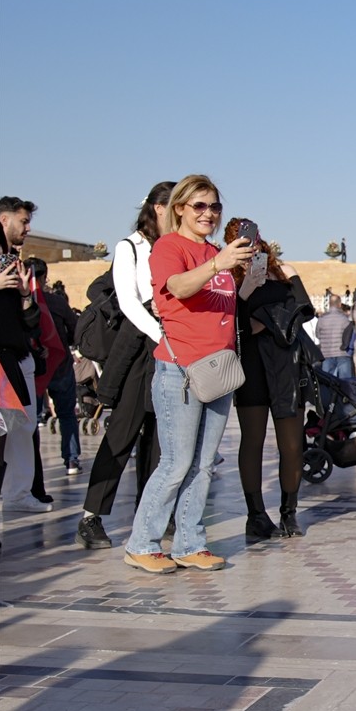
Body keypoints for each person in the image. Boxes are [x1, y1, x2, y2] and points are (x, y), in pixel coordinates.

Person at [123, 174, 255, 574]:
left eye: (214, 206)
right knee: (176, 463)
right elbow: (177, 287)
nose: (208, 213)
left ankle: (189, 542)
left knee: (203, 464)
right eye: (199, 205)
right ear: (179, 207)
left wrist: (246, 276)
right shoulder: (169, 247)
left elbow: (220, 307)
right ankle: (142, 542)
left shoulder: (216, 251)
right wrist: (218, 264)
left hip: (217, 371)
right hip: (180, 371)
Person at [76, 183, 172, 548]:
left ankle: (151, 515)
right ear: (159, 208)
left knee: (161, 440)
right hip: (139, 348)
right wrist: (160, 333)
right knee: (122, 434)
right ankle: (91, 516)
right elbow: (131, 303)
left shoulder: (178, 246)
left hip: (170, 347)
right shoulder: (130, 247)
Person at [224, 219, 315, 540]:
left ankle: (289, 513)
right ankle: (256, 516)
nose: (250, 247)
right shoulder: (227, 277)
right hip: (250, 363)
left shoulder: (280, 271)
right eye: (241, 241)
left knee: (291, 444)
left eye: (253, 239)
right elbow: (227, 323)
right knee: (253, 439)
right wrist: (246, 290)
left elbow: (307, 309)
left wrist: (289, 275)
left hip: (285, 361)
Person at [0, 202, 44, 513]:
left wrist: (26, 296)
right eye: (23, 221)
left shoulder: (12, 265)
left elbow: (29, 323)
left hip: (12, 360)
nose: (27, 228)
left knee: (13, 432)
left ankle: (17, 493)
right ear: (3, 219)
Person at [26, 258, 81, 476]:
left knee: (32, 420)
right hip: (60, 365)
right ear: (43, 276)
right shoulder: (57, 302)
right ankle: (71, 459)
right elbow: (74, 328)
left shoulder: (22, 302)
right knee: (67, 414)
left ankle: (33, 467)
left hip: (35, 368)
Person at [315, 294, 353, 379]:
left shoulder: (322, 319)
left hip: (326, 353)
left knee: (328, 382)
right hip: (343, 353)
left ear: (329, 304)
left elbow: (317, 335)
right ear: (339, 304)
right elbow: (349, 335)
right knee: (345, 382)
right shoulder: (345, 318)